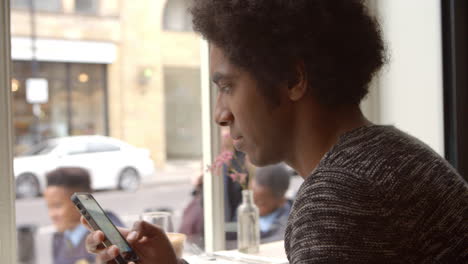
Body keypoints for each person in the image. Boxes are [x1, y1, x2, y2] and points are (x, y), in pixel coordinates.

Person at [83, 0, 468, 263]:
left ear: (293, 78)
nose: (220, 114)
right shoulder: (391, 151)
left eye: (227, 87)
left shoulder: (341, 198)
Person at [44, 167, 123, 264]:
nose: (51, 214)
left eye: (57, 205)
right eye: (49, 207)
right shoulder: (58, 238)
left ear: (81, 202)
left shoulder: (110, 231)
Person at [252, 164, 291, 243]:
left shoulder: (286, 225)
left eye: (260, 203)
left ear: (281, 201)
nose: (253, 207)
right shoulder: (245, 213)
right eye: (253, 200)